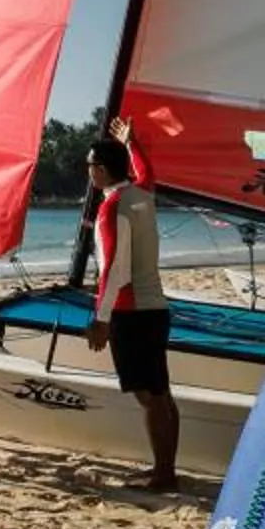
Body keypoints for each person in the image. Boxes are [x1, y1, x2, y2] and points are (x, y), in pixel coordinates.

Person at [84, 121, 176, 490]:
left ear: (101, 170)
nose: (88, 170)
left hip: (131, 313)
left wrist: (101, 318)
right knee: (161, 394)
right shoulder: (142, 195)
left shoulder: (113, 207)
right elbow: (147, 173)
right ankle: (165, 470)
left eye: (90, 164)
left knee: (149, 397)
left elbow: (114, 268)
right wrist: (131, 144)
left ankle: (163, 475)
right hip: (156, 310)